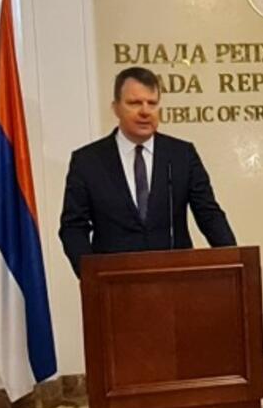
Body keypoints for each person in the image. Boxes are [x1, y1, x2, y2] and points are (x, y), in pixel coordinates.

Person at [59, 66, 235, 276]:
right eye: (134, 103)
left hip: (177, 281)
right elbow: (73, 227)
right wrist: (91, 277)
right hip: (114, 283)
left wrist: (234, 263)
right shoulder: (88, 161)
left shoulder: (181, 155)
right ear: (115, 108)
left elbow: (209, 215)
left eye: (152, 103)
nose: (145, 111)